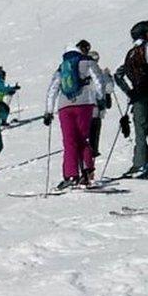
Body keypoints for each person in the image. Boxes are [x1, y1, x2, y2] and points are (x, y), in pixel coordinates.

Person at [43, 40, 106, 189]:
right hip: (85, 104)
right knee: (83, 139)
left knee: (69, 142)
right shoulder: (87, 62)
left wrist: (48, 111)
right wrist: (101, 98)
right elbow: (99, 81)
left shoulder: (62, 67)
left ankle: (71, 176)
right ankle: (86, 172)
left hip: (64, 107)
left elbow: (52, 89)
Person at [114, 20, 148, 178]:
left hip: (137, 97)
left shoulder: (130, 52)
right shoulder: (147, 48)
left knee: (140, 131)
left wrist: (130, 92)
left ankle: (139, 164)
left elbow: (117, 74)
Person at [88, 52, 114, 157]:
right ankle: (94, 150)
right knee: (95, 130)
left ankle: (87, 151)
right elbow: (109, 87)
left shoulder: (83, 71)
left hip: (84, 106)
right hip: (97, 106)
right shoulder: (99, 72)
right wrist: (108, 76)